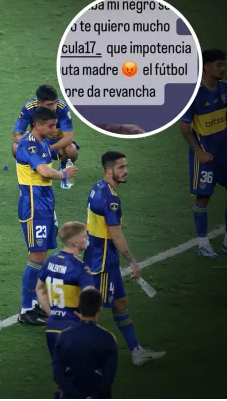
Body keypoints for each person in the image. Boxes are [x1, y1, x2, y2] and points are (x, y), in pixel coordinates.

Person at [84, 151, 165, 365]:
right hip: (101, 261)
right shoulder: (110, 198)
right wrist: (132, 261)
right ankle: (81, 358)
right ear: (109, 170)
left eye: (125, 166)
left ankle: (136, 351)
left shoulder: (98, 187)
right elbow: (115, 234)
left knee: (120, 302)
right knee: (93, 312)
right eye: (121, 167)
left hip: (103, 256)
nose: (125, 171)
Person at [15, 106, 78, 326]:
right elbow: (43, 171)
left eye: (55, 125)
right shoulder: (28, 143)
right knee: (37, 257)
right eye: (50, 125)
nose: (54, 129)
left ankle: (36, 304)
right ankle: (26, 309)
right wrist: (64, 174)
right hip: (34, 206)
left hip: (45, 204)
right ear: (38, 124)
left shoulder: (42, 142)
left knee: (41, 256)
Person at [179, 48, 227, 258]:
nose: (223, 68)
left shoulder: (224, 88)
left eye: (223, 64)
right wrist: (198, 151)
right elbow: (184, 127)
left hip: (224, 152)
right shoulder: (195, 94)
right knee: (203, 198)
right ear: (206, 67)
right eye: (218, 65)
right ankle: (203, 243)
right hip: (205, 155)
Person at [35, 221, 95, 356]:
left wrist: (51, 313)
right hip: (73, 327)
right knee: (83, 371)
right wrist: (87, 318)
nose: (87, 238)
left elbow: (39, 288)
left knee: (61, 371)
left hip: (52, 327)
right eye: (84, 236)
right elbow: (90, 296)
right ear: (75, 243)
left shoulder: (50, 260)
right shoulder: (80, 266)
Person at [52, 288, 117, 399]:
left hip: (70, 394)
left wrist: (76, 396)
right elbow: (108, 378)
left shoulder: (64, 336)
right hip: (98, 393)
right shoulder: (108, 338)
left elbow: (58, 375)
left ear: (80, 308)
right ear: (100, 309)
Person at [12, 84, 79, 189]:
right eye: (49, 105)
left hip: (55, 145)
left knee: (71, 149)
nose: (53, 107)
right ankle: (32, 167)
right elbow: (16, 134)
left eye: (55, 103)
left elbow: (68, 137)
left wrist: (48, 148)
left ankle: (64, 167)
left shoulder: (62, 108)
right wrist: (29, 146)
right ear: (39, 103)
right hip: (36, 143)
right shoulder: (29, 108)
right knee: (16, 147)